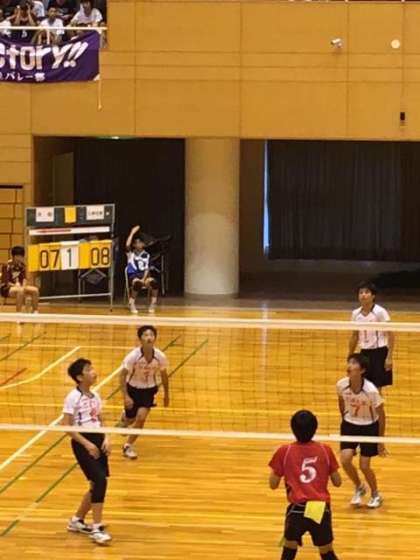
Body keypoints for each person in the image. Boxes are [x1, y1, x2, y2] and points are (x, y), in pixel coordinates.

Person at [269, 410, 341, 560]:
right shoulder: (325, 450)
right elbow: (337, 482)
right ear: (315, 428)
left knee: (289, 550)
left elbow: (273, 484)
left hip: (297, 509)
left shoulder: (284, 451)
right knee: (327, 552)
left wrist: (280, 463)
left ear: (293, 429)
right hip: (319, 508)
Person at [62, 358, 112, 545]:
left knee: (97, 483)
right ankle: (97, 528)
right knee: (100, 481)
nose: (93, 372)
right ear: (79, 377)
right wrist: (87, 444)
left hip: (98, 440)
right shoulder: (72, 397)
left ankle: (77, 521)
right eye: (88, 370)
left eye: (92, 368)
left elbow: (100, 418)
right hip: (83, 442)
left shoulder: (95, 395)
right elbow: (66, 427)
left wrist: (107, 437)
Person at [337, 353, 386, 509]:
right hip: (349, 425)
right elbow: (341, 402)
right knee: (345, 460)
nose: (349, 366)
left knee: (364, 466)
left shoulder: (371, 390)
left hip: (369, 427)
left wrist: (380, 441)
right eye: (349, 362)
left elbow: (381, 415)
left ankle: (376, 494)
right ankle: (359, 487)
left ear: (362, 370)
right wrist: (345, 419)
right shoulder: (341, 385)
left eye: (354, 363)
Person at [119, 325, 169, 460]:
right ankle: (125, 419)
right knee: (131, 419)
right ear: (140, 339)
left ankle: (128, 446)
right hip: (133, 389)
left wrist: (166, 395)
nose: (149, 338)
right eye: (145, 335)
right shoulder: (133, 356)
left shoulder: (160, 356)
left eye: (151, 335)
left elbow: (164, 375)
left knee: (141, 418)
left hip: (149, 390)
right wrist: (126, 396)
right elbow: (122, 376)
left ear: (155, 338)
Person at [348, 281, 394, 392]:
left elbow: (391, 335)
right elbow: (354, 335)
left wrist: (389, 357)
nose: (363, 295)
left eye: (366, 292)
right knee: (364, 387)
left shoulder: (380, 312)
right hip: (364, 353)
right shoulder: (355, 313)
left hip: (379, 353)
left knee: (376, 389)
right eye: (361, 293)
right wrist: (350, 355)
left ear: (373, 296)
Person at [125, 225, 159, 314]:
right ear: (134, 245)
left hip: (144, 276)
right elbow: (127, 245)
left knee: (154, 283)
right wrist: (132, 233)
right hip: (134, 276)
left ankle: (153, 303)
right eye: (136, 243)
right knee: (138, 284)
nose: (138, 244)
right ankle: (131, 303)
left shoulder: (147, 255)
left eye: (140, 242)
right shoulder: (131, 254)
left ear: (143, 244)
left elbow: (147, 268)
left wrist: (144, 279)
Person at [0, 246, 39, 313]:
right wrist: (15, 285)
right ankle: (18, 313)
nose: (19, 258)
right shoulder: (6, 266)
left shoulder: (22, 266)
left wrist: (23, 285)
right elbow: (6, 282)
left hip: (19, 287)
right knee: (20, 291)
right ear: (13, 256)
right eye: (17, 256)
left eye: (21, 257)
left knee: (35, 290)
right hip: (6, 288)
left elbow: (24, 279)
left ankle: (35, 312)